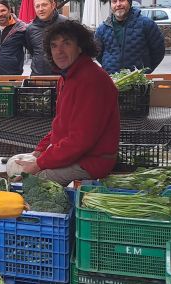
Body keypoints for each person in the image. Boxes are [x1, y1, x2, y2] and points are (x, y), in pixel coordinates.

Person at [15, 20, 120, 184]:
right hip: (76, 155)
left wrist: (39, 164)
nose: (59, 51)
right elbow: (61, 125)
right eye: (54, 45)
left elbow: (80, 139)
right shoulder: (67, 77)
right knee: (23, 173)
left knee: (31, 183)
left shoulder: (91, 80)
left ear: (80, 47)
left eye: (66, 43)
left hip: (91, 162)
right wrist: (40, 151)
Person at [95, 0, 165, 74]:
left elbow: (158, 50)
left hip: (138, 79)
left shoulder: (146, 24)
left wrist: (146, 70)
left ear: (129, 2)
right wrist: (109, 66)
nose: (118, 4)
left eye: (121, 0)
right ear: (111, 5)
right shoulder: (103, 28)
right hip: (111, 79)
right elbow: (97, 53)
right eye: (114, 1)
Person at [26, 0, 67, 76]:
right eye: (37, 6)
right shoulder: (30, 28)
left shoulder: (66, 23)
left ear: (53, 5)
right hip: (38, 77)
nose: (41, 9)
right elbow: (32, 50)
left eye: (44, 5)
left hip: (62, 77)